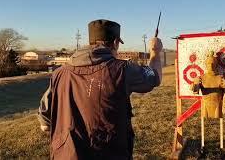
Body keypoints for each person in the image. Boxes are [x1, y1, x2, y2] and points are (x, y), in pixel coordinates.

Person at [38, 19, 163, 160]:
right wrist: (155, 52)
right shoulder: (122, 70)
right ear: (115, 42)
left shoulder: (58, 74)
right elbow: (154, 77)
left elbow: (45, 124)